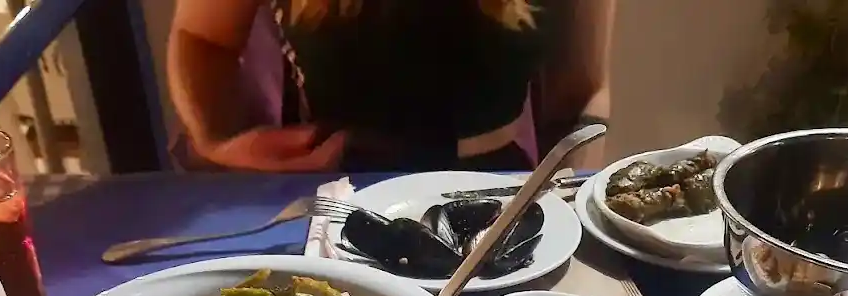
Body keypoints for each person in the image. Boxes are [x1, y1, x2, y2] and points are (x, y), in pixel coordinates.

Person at [167, 0, 614, 173]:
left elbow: (580, 94)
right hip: (333, 191)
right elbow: (201, 38)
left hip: (495, 195)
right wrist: (223, 140)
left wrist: (572, 196)